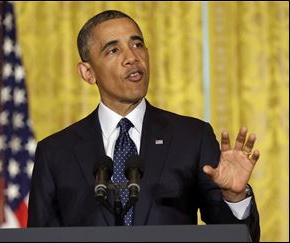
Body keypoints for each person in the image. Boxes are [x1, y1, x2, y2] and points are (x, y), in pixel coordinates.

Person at [27, 10, 260, 241]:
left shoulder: (191, 138)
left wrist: (235, 197)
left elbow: (233, 236)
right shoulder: (55, 152)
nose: (131, 57)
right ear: (88, 72)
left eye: (137, 45)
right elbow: (40, 237)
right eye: (113, 50)